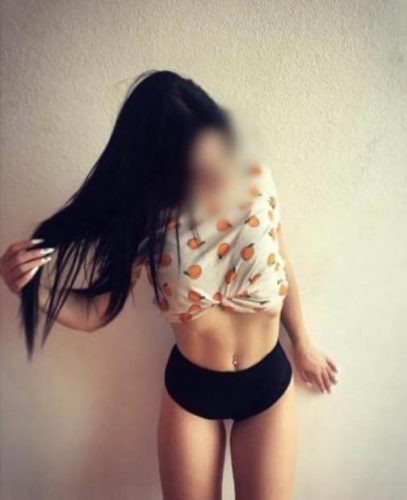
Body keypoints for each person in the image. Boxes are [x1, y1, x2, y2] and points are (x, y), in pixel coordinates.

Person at [0, 69, 338, 500]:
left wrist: (302, 342)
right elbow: (94, 312)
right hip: (192, 393)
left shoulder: (256, 178)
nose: (215, 169)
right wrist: (32, 289)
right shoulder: (148, 221)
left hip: (266, 383)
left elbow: (281, 261)